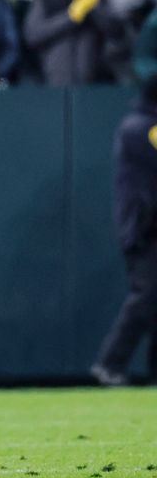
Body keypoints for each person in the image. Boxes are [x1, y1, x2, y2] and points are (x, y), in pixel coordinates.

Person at [91, 76, 157, 386]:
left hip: (147, 224)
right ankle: (109, 363)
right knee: (145, 295)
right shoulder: (141, 128)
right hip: (144, 228)